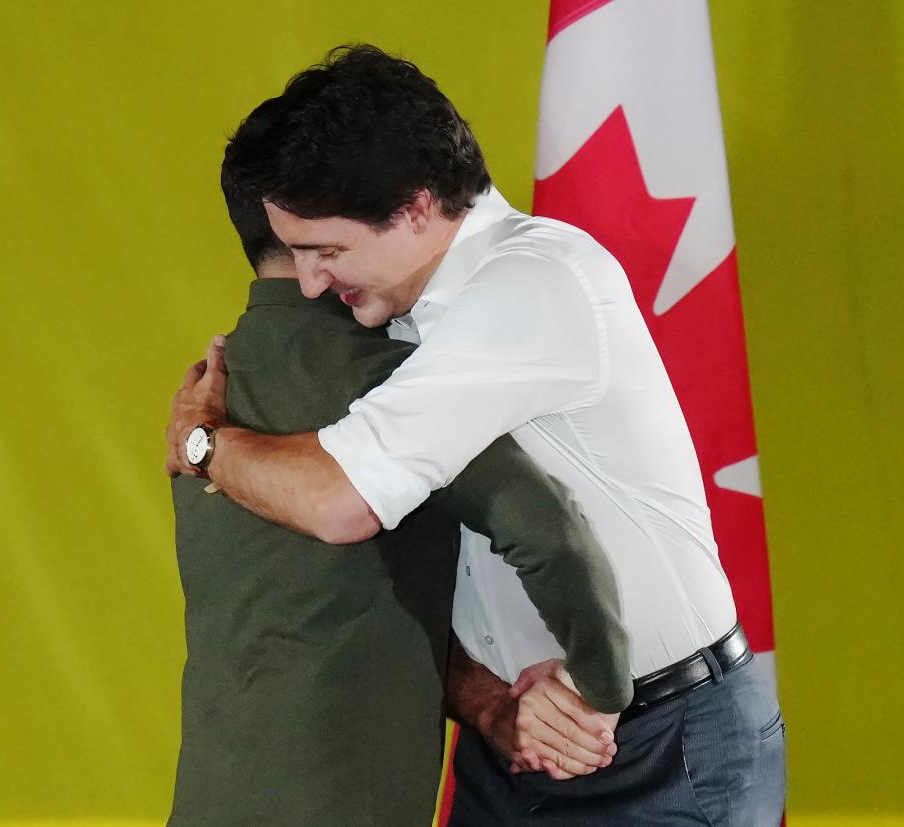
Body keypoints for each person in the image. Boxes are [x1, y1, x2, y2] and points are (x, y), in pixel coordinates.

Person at [165, 44, 785, 825]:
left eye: (327, 250)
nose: (313, 282)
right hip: (512, 746)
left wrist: (205, 445)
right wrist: (492, 706)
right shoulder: (392, 325)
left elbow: (340, 500)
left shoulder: (533, 284)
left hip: (659, 749)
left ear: (417, 206)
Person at [166, 185, 631, 825]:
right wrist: (604, 690)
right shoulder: (393, 380)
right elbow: (548, 535)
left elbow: (339, 608)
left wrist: (492, 708)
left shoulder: (204, 405)